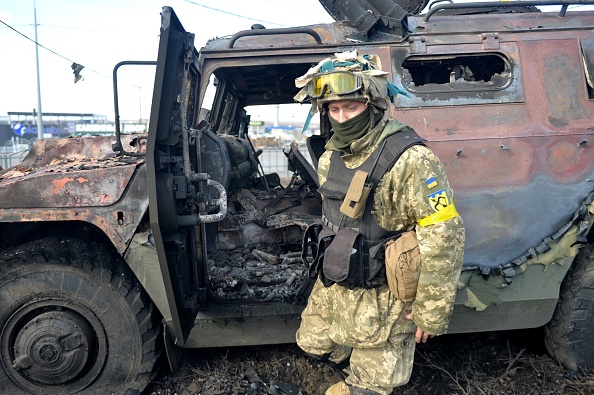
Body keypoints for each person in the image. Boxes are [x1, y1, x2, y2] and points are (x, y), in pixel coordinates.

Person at [294, 51, 465, 395]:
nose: (341, 117)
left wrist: (430, 312)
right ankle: (349, 353)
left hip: (384, 293)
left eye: (351, 107)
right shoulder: (331, 156)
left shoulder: (412, 159)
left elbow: (445, 235)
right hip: (338, 281)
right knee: (311, 344)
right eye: (334, 109)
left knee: (367, 387)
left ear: (372, 104)